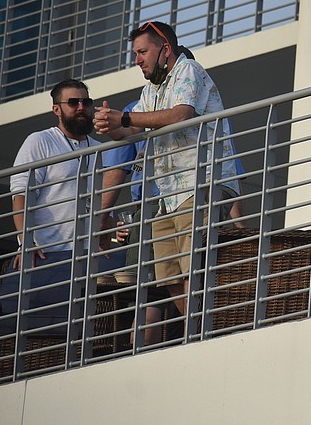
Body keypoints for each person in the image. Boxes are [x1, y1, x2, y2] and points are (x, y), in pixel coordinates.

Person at [94, 21, 239, 316]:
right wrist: (109, 125)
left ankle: (202, 333)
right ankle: (195, 328)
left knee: (192, 268)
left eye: (143, 52)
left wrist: (123, 119)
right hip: (168, 196)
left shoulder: (189, 71)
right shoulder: (150, 89)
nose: (137, 60)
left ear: (165, 50)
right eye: (136, 53)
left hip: (199, 184)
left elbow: (181, 115)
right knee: (169, 276)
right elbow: (129, 133)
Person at [0, 79, 103, 330]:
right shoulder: (40, 141)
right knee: (44, 335)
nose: (81, 107)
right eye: (73, 102)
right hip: (49, 255)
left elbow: (101, 201)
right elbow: (20, 194)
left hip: (90, 256)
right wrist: (26, 241)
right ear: (57, 109)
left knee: (89, 331)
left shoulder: (100, 149)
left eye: (86, 102)